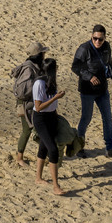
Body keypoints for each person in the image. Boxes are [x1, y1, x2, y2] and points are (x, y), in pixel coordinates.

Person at [72, 24, 112, 158]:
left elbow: (109, 63)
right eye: (95, 38)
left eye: (100, 39)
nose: (97, 41)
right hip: (87, 91)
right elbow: (75, 67)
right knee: (86, 118)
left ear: (104, 38)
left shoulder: (107, 47)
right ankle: (79, 147)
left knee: (107, 118)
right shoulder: (84, 48)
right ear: (91, 36)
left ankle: (110, 148)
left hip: (102, 90)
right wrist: (89, 77)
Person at [28, 49, 66, 195]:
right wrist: (56, 98)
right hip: (41, 119)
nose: (57, 70)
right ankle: (56, 186)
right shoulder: (39, 84)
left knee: (43, 147)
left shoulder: (51, 81)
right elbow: (38, 107)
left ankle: (38, 178)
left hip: (51, 117)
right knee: (53, 149)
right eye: (56, 68)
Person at [12, 43, 51, 167]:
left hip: (31, 103)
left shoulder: (34, 66)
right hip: (25, 105)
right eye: (42, 53)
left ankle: (45, 155)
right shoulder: (28, 69)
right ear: (38, 55)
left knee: (37, 129)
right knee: (27, 130)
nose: (44, 55)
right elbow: (24, 90)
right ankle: (19, 158)